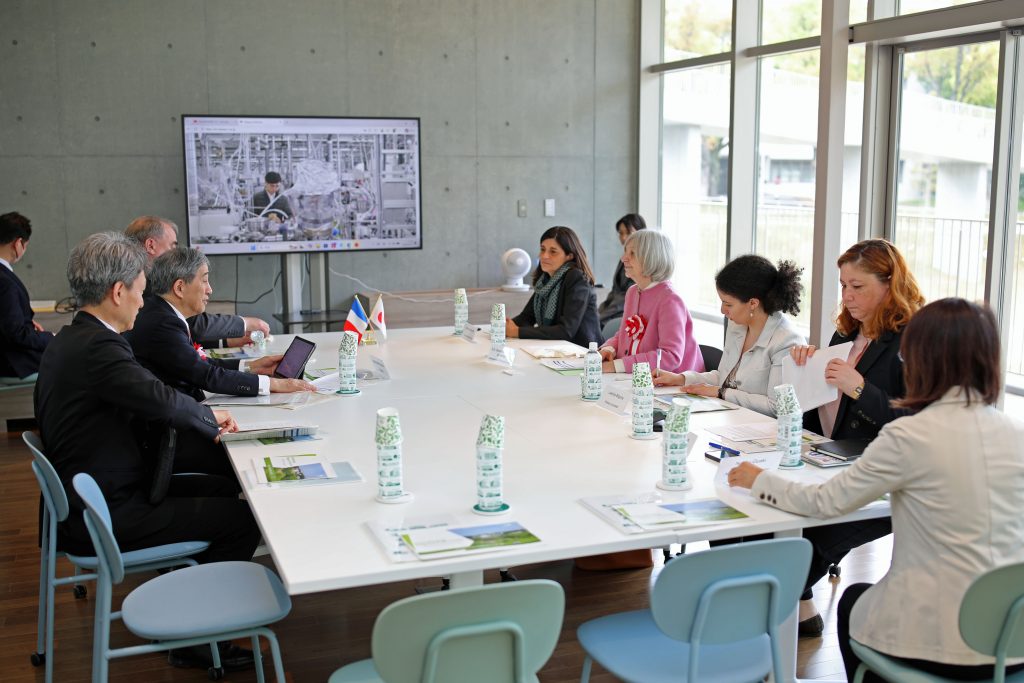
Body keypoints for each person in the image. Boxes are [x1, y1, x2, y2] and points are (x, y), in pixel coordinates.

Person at [728, 298, 1024, 681]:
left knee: (852, 603)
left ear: (919, 360)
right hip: (1012, 638)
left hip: (941, 642)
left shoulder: (910, 435)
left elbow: (825, 502)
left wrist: (760, 480)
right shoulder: (1015, 433)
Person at [34, 232, 260, 670]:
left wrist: (200, 416)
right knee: (242, 519)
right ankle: (194, 639)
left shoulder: (73, 338)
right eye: (140, 292)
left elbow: (149, 394)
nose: (143, 303)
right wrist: (209, 418)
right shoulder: (99, 348)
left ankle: (181, 607)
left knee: (225, 490)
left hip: (92, 496)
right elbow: (159, 398)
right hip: (105, 512)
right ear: (118, 292)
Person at [787, 238, 925, 636]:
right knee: (762, 516)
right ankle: (794, 605)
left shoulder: (912, 340)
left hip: (881, 477)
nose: (846, 296)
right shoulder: (846, 334)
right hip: (828, 459)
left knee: (807, 540)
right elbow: (824, 404)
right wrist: (808, 369)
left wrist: (859, 388)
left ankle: (774, 608)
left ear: (889, 284)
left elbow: (914, 423)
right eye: (843, 285)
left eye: (857, 286)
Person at [126, 247, 315, 479]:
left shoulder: (163, 313)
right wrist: (273, 384)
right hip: (172, 438)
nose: (210, 289)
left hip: (178, 424)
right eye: (205, 280)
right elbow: (205, 376)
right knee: (260, 454)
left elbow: (199, 366)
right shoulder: (163, 323)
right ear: (180, 287)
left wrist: (253, 367)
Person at [653, 254, 804, 417]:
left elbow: (777, 406)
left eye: (728, 304)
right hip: (733, 418)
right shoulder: (738, 325)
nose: (722, 310)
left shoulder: (786, 341)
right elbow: (724, 377)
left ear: (753, 303)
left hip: (761, 426)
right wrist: (681, 379)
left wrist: (722, 393)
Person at [125, 215, 270, 346]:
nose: (176, 254)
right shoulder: (142, 281)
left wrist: (224, 342)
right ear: (150, 245)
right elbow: (192, 324)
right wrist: (246, 323)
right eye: (173, 247)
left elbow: (181, 329)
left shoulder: (133, 273)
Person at [598, 230, 703, 375]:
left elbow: (670, 356)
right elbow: (624, 334)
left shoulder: (670, 299)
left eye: (632, 253)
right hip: (637, 379)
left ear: (651, 258)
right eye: (625, 252)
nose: (623, 258)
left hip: (674, 384)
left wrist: (617, 366)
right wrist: (609, 348)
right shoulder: (632, 292)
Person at [505, 226, 601, 348]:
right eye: (542, 249)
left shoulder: (577, 278)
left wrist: (517, 332)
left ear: (569, 256)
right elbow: (527, 317)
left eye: (553, 252)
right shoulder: (545, 280)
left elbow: (566, 331)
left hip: (583, 351)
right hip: (556, 348)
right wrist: (505, 325)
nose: (544, 256)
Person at [0, 212, 53, 380]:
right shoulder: (5, 282)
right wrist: (50, 337)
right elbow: (16, 334)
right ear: (18, 244)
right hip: (10, 360)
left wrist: (23, 320)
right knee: (69, 358)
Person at [597, 213, 646, 340]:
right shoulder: (624, 259)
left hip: (626, 312)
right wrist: (600, 310)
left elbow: (626, 297)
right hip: (616, 309)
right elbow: (615, 291)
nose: (624, 238)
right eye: (620, 233)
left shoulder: (641, 263)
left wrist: (602, 315)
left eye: (628, 232)